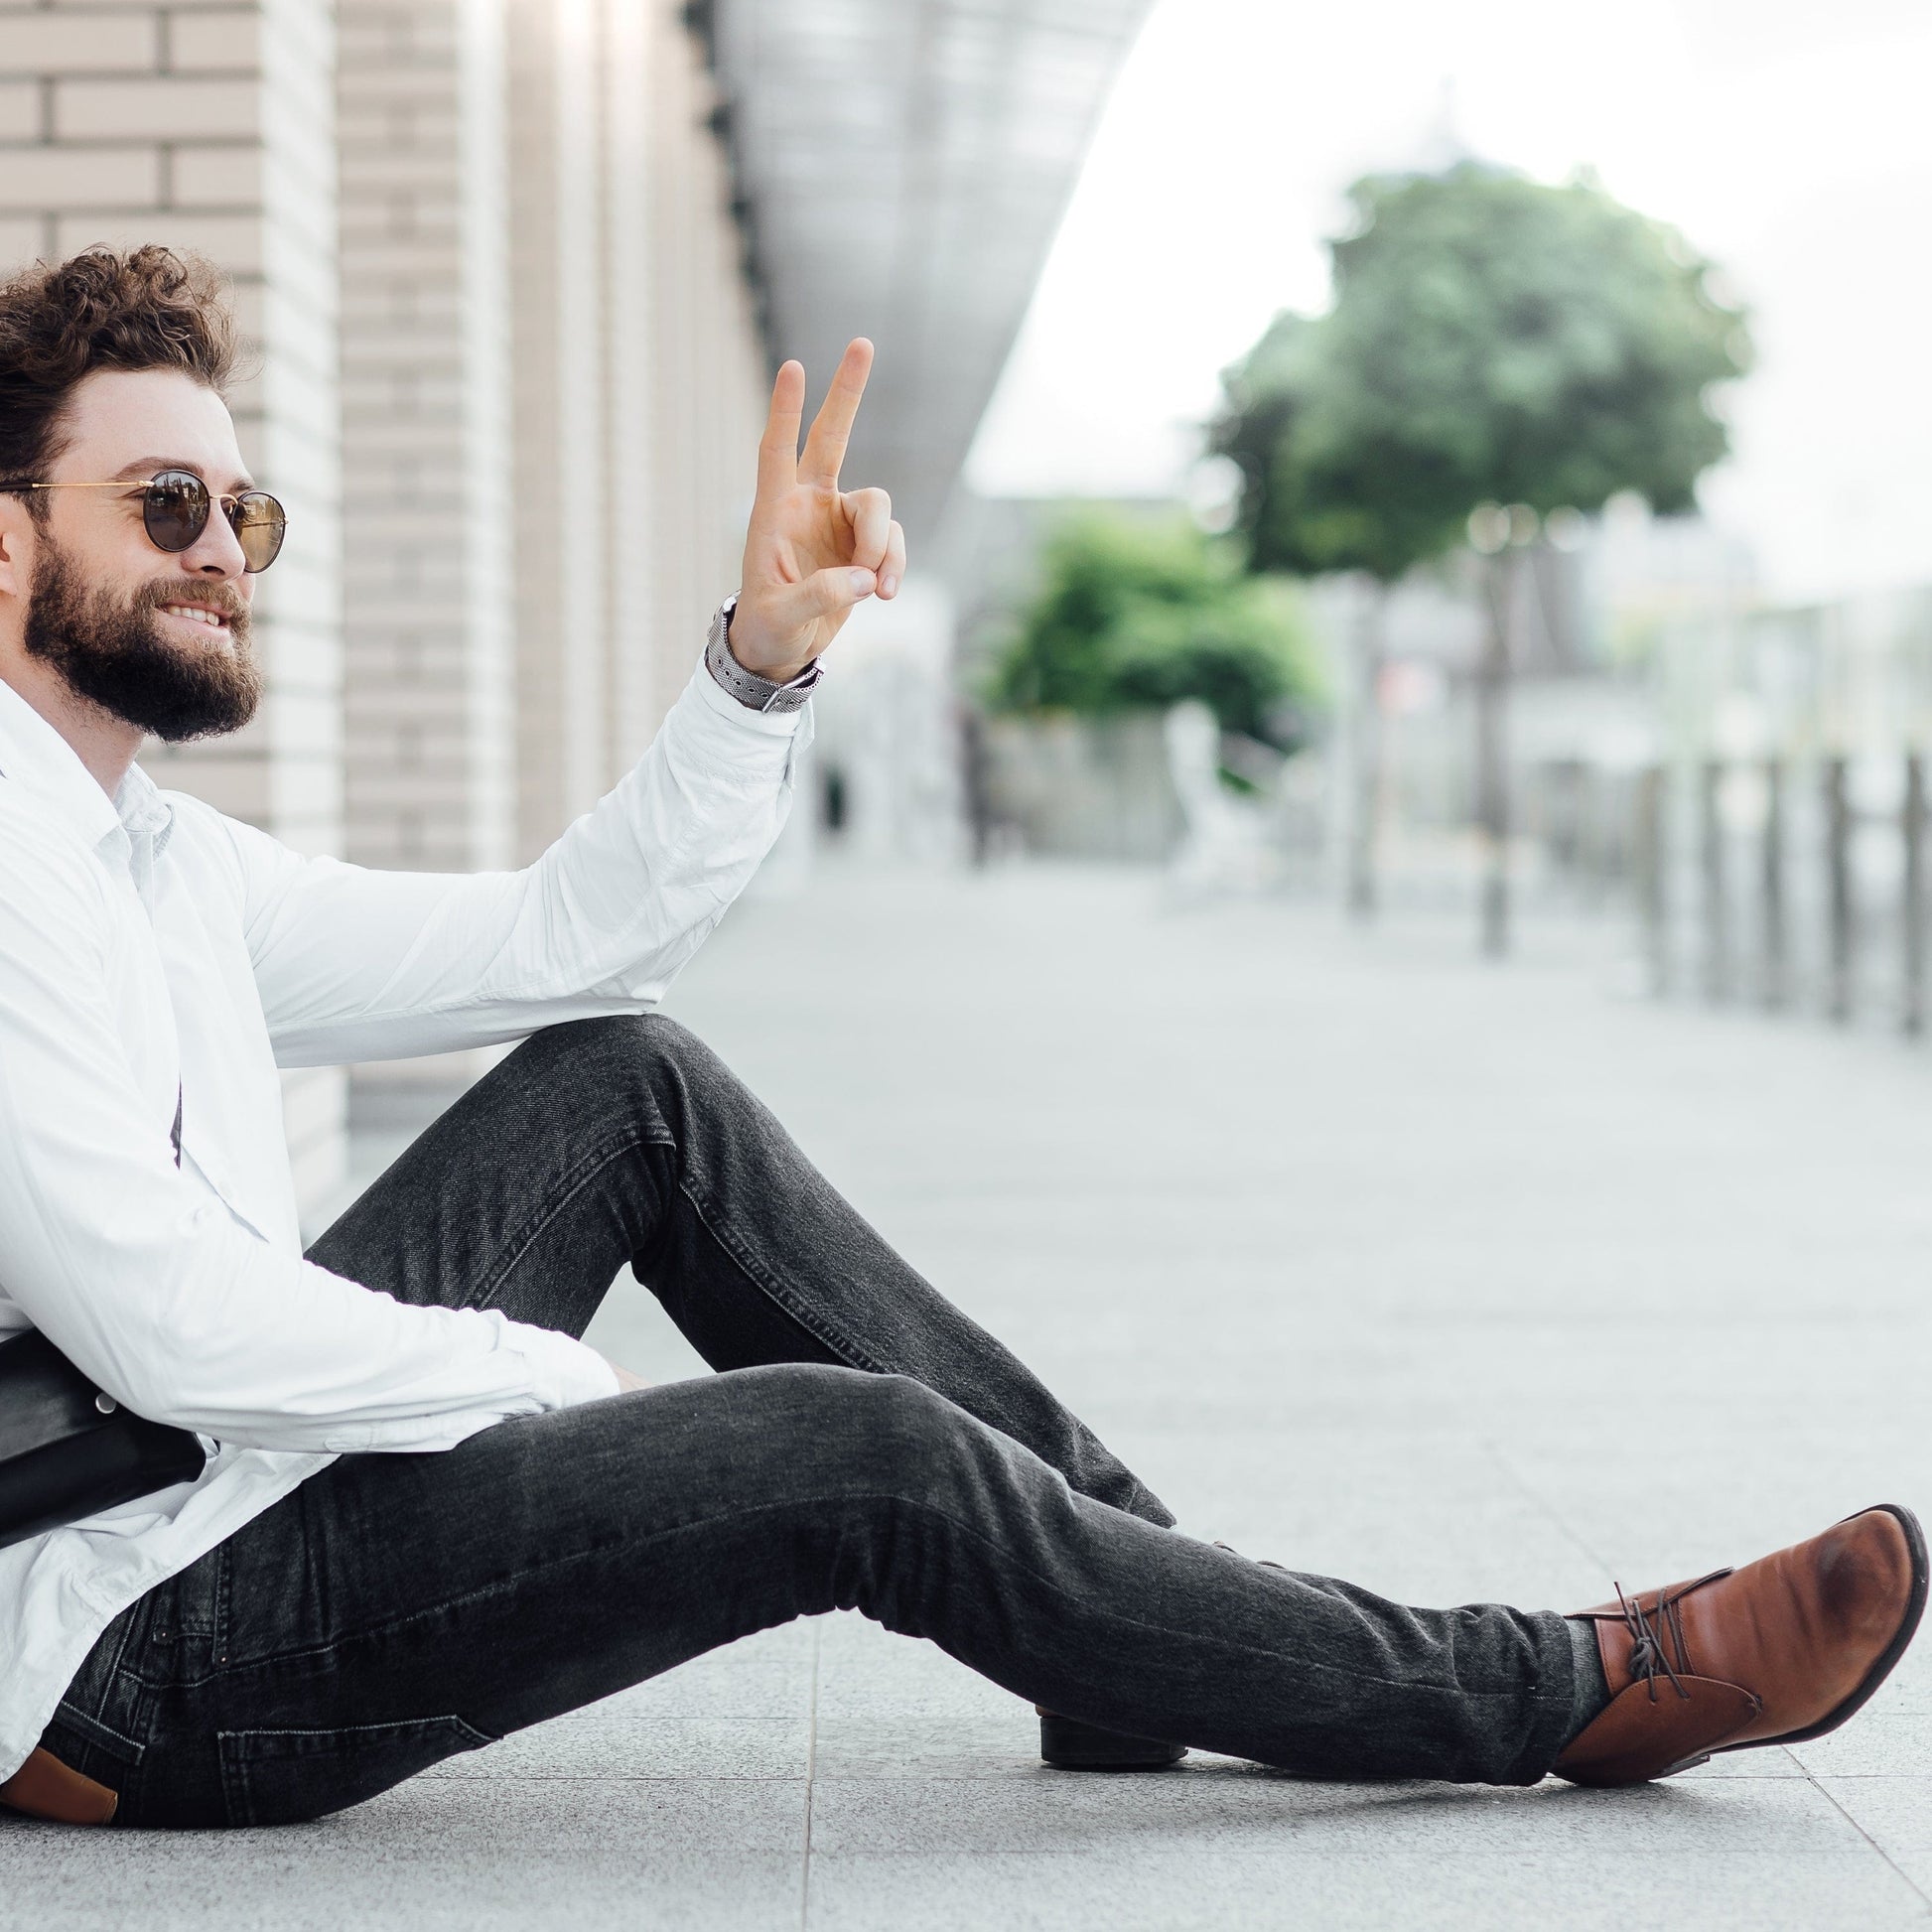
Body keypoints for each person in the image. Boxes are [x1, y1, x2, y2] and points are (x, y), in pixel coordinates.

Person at [0, 247, 1920, 1832]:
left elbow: (574, 946)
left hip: (212, 1484)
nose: (225, 550)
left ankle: (1139, 1600)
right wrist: (537, 1382)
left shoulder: (150, 852)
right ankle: (1548, 1684)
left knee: (626, 1086)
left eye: (242, 507)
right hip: (130, 1647)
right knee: (863, 1463)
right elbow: (163, 1320)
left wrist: (759, 662)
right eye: (165, 506)